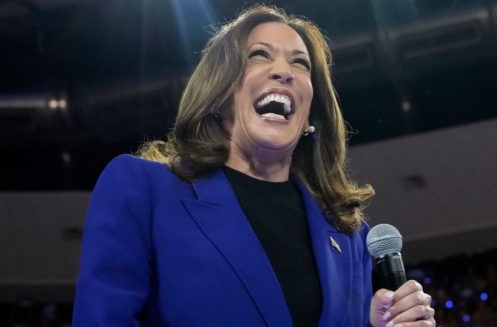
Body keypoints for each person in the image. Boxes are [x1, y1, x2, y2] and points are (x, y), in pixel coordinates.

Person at [73, 5, 435, 326]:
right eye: (260, 55)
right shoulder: (143, 190)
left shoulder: (349, 237)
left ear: (310, 113)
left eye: (300, 63)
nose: (284, 71)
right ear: (219, 93)